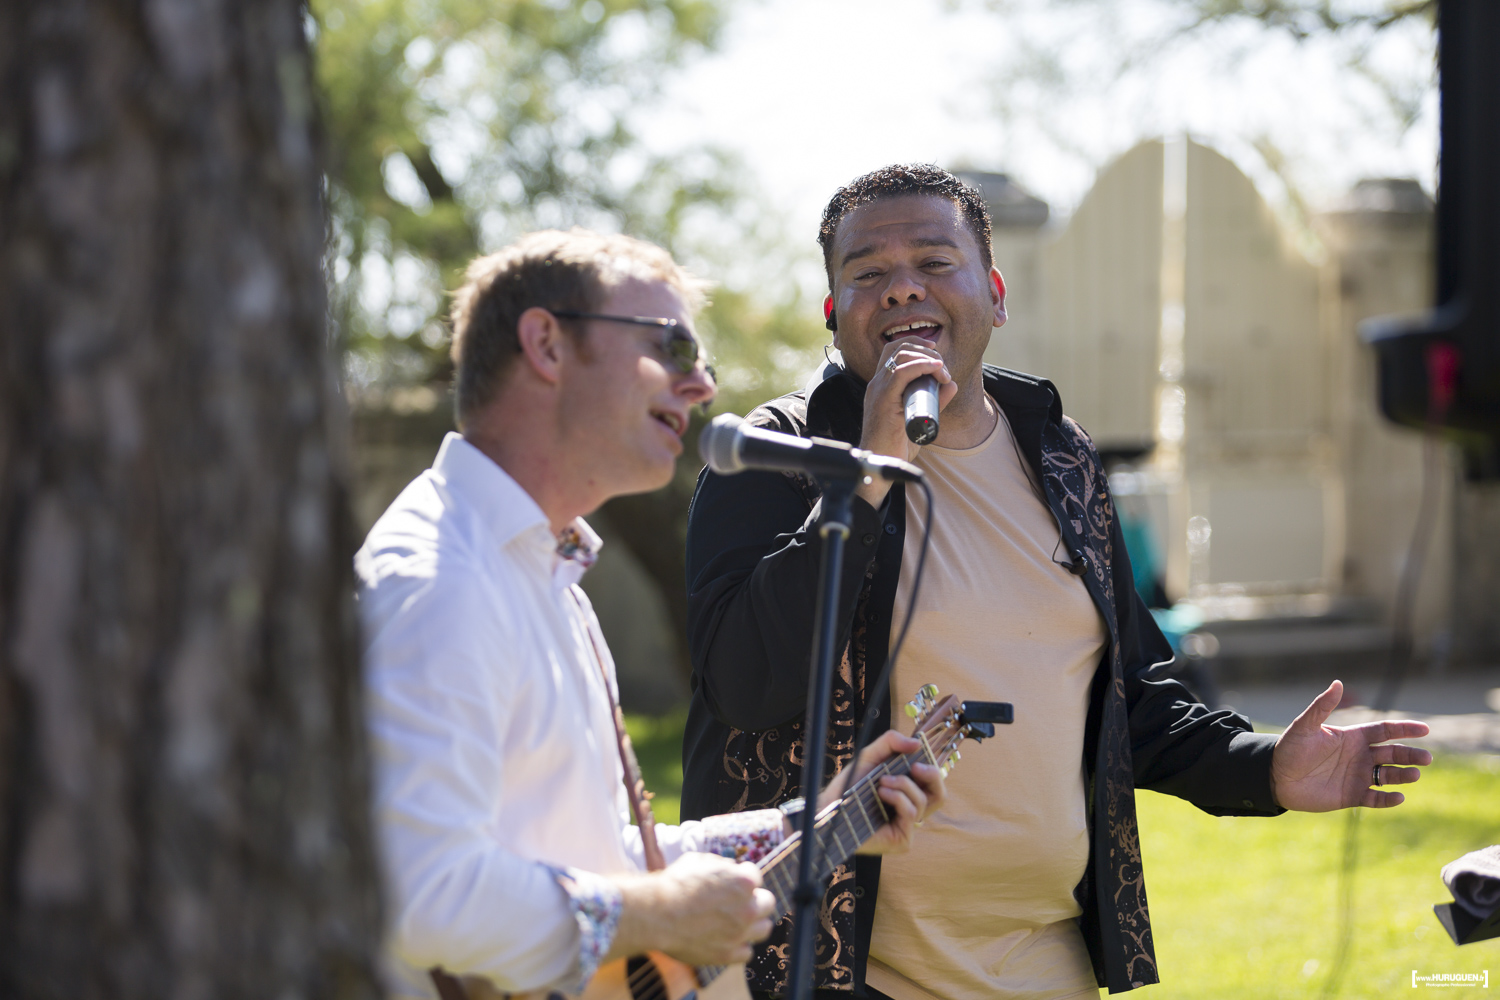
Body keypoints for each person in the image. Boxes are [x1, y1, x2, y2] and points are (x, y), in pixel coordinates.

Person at [679, 166, 1432, 999]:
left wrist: (1265, 768)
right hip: (836, 970)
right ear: (833, 312)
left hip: (1045, 962)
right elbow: (744, 684)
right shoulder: (775, 458)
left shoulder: (1059, 454)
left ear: (995, 295)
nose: (901, 289)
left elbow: (1129, 695)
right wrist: (870, 470)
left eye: (934, 262)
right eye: (868, 273)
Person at [355, 229, 946, 1000]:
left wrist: (812, 823)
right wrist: (653, 916)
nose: (700, 385)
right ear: (547, 345)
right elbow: (420, 895)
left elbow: (601, 857)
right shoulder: (441, 580)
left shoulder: (545, 575)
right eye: (673, 347)